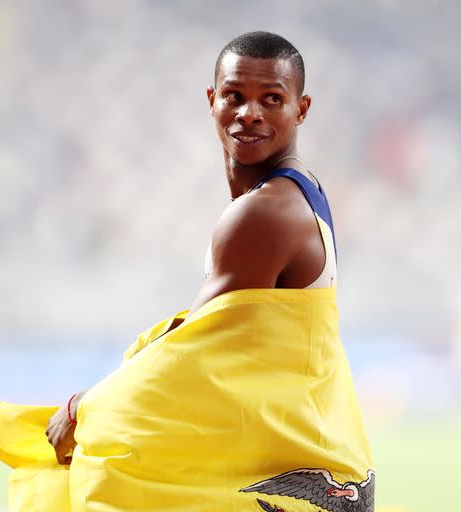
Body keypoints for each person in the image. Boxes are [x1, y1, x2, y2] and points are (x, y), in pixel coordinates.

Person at [42, 31, 373, 512]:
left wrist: (84, 407)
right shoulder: (298, 192)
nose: (250, 113)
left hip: (305, 484)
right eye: (235, 96)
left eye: (272, 99)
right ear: (211, 100)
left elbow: (184, 349)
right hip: (318, 468)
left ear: (301, 110)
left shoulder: (265, 213)